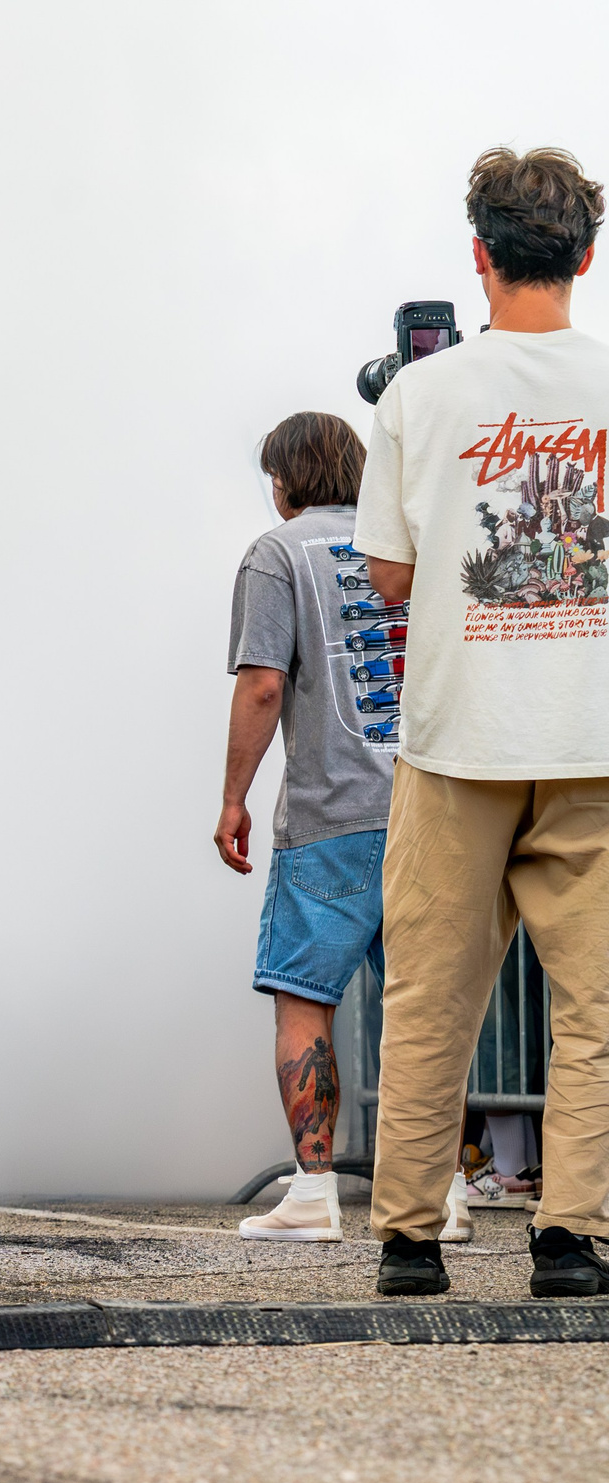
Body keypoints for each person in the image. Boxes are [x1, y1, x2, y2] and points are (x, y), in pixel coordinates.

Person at [358, 146, 609, 1299]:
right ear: (587, 255)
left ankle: (409, 1238)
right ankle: (568, 1235)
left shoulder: (420, 392)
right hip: (592, 738)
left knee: (429, 994)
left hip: (458, 737)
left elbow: (392, 579)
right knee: (595, 1007)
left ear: (480, 256)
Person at [215, 414, 463, 1243]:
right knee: (425, 1006)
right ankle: (445, 1196)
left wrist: (233, 798)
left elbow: (260, 687)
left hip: (329, 818)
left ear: (286, 479)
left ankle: (315, 1194)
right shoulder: (411, 547)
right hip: (430, 809)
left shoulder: (277, 553)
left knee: (304, 1000)